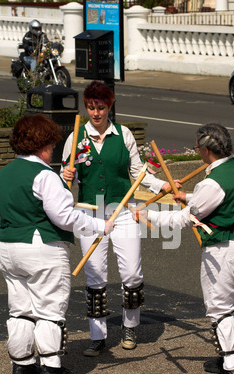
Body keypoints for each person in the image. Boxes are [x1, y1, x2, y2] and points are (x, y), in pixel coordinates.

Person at [135, 123, 234, 374]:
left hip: (228, 248)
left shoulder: (213, 182)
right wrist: (190, 196)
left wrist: (149, 215)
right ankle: (229, 357)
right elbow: (216, 198)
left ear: (206, 150)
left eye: (198, 148)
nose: (198, 152)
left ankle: (233, 369)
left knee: (219, 307)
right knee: (231, 302)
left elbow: (187, 218)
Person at [0, 114, 113, 374]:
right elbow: (65, 217)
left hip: (7, 246)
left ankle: (22, 365)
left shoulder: (3, 174)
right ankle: (51, 369)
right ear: (44, 144)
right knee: (49, 308)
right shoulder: (45, 176)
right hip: (40, 247)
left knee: (20, 307)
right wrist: (100, 226)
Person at [61, 80, 179, 357]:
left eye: (100, 107)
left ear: (109, 106)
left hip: (123, 211)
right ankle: (97, 336)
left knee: (131, 272)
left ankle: (129, 327)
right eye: (91, 107)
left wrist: (160, 185)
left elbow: (138, 173)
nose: (95, 113)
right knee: (95, 276)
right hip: (89, 213)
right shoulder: (76, 137)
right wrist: (66, 176)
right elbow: (66, 179)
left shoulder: (123, 135)